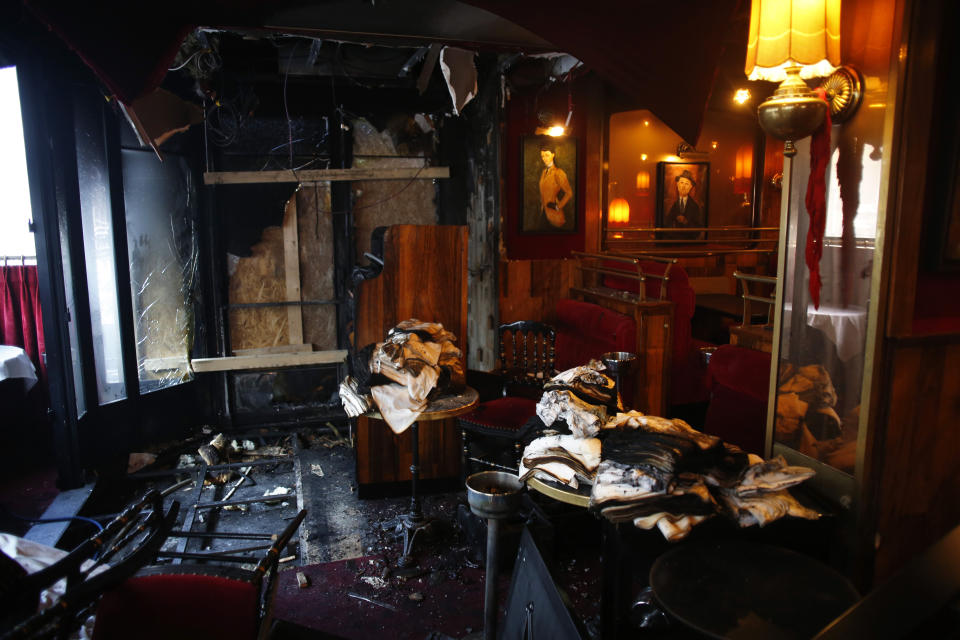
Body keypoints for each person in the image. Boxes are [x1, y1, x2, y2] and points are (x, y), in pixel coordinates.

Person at [538, 142, 573, 228]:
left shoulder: (558, 173)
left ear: (553, 155)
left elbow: (569, 193)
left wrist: (557, 207)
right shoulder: (543, 172)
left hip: (554, 215)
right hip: (544, 212)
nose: (544, 158)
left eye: (547, 155)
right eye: (542, 156)